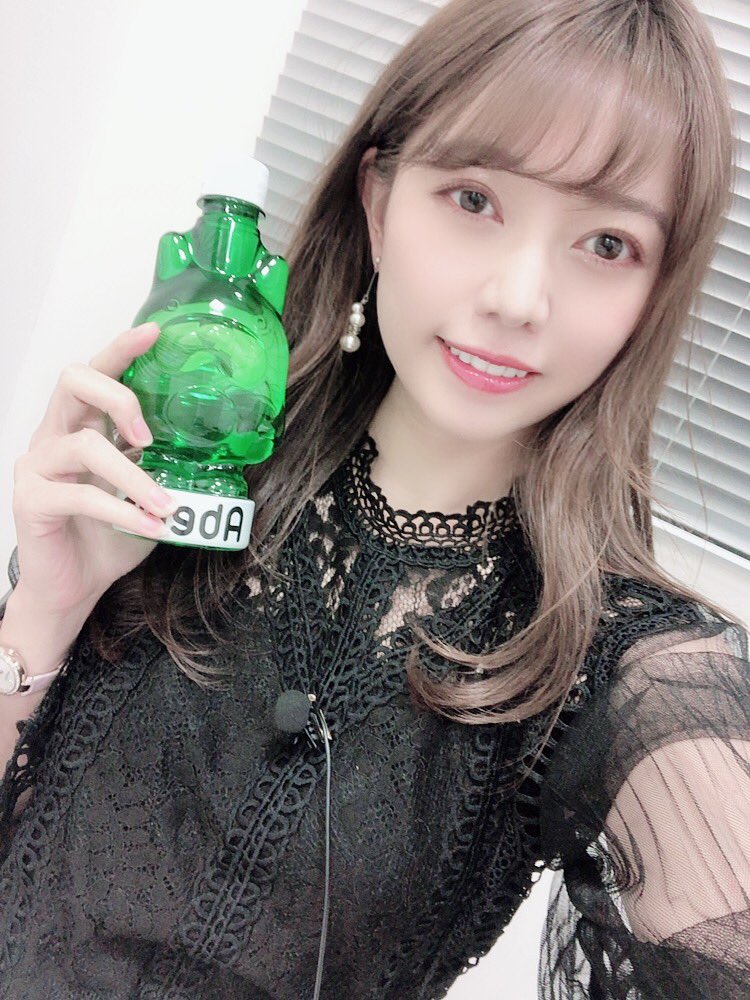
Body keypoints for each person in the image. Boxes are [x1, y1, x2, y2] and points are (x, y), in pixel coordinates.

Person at [0, 0, 748, 996]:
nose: (518, 299)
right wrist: (45, 610)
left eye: (607, 244)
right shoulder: (191, 453)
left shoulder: (618, 660)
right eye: (475, 199)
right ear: (379, 200)